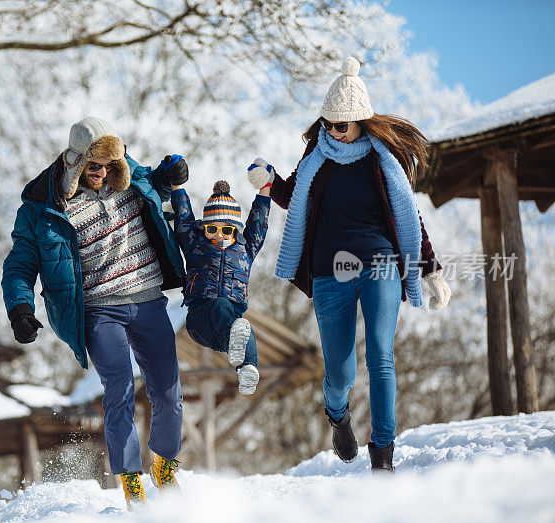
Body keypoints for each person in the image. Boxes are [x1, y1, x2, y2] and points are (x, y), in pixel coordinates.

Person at [251, 57, 452, 473]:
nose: (332, 132)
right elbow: (296, 195)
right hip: (330, 272)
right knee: (340, 371)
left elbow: (408, 216)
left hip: (381, 266)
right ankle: (338, 414)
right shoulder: (317, 155)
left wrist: (430, 269)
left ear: (360, 122)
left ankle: (383, 454)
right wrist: (270, 183)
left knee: (381, 356)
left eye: (340, 126)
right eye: (327, 124)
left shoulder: (383, 162)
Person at [1, 117, 188, 507]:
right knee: (118, 391)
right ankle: (131, 480)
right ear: (75, 160)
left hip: (149, 299)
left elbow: (155, 185)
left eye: (108, 165)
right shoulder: (42, 208)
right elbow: (20, 262)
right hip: (100, 310)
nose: (102, 173)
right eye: (93, 165)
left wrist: (170, 176)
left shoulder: (128, 176)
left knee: (168, 393)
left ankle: (165, 466)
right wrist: (21, 306)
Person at [170, 179, 271, 395]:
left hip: (229, 327)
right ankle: (236, 346)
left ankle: (248, 370)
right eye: (212, 228)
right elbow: (183, 218)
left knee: (243, 328)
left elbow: (258, 223)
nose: (218, 234)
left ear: (235, 231)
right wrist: (177, 185)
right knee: (221, 307)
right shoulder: (195, 245)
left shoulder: (246, 250)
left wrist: (266, 189)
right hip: (199, 320)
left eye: (226, 229)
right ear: (203, 227)